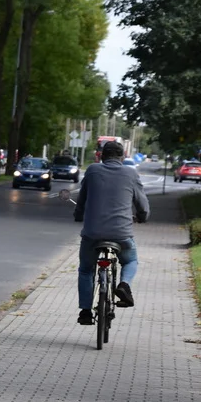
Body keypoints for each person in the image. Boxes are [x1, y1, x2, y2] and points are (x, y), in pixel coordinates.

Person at [73, 139, 149, 325]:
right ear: (122, 157)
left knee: (86, 269)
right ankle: (123, 285)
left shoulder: (92, 170)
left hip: (92, 234)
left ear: (101, 156)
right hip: (121, 234)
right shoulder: (131, 173)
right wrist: (142, 216)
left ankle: (85, 311)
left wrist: (78, 215)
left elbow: (82, 199)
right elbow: (142, 204)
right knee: (130, 260)